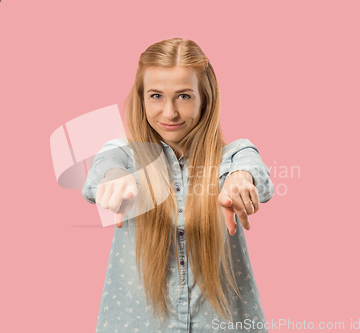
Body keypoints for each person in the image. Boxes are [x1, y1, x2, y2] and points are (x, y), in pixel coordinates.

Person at [82, 38, 274, 332]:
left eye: (184, 96)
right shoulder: (124, 154)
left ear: (205, 99)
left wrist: (240, 180)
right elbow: (102, 171)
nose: (169, 112)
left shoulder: (232, 156)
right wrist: (113, 180)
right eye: (156, 96)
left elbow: (251, 169)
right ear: (141, 98)